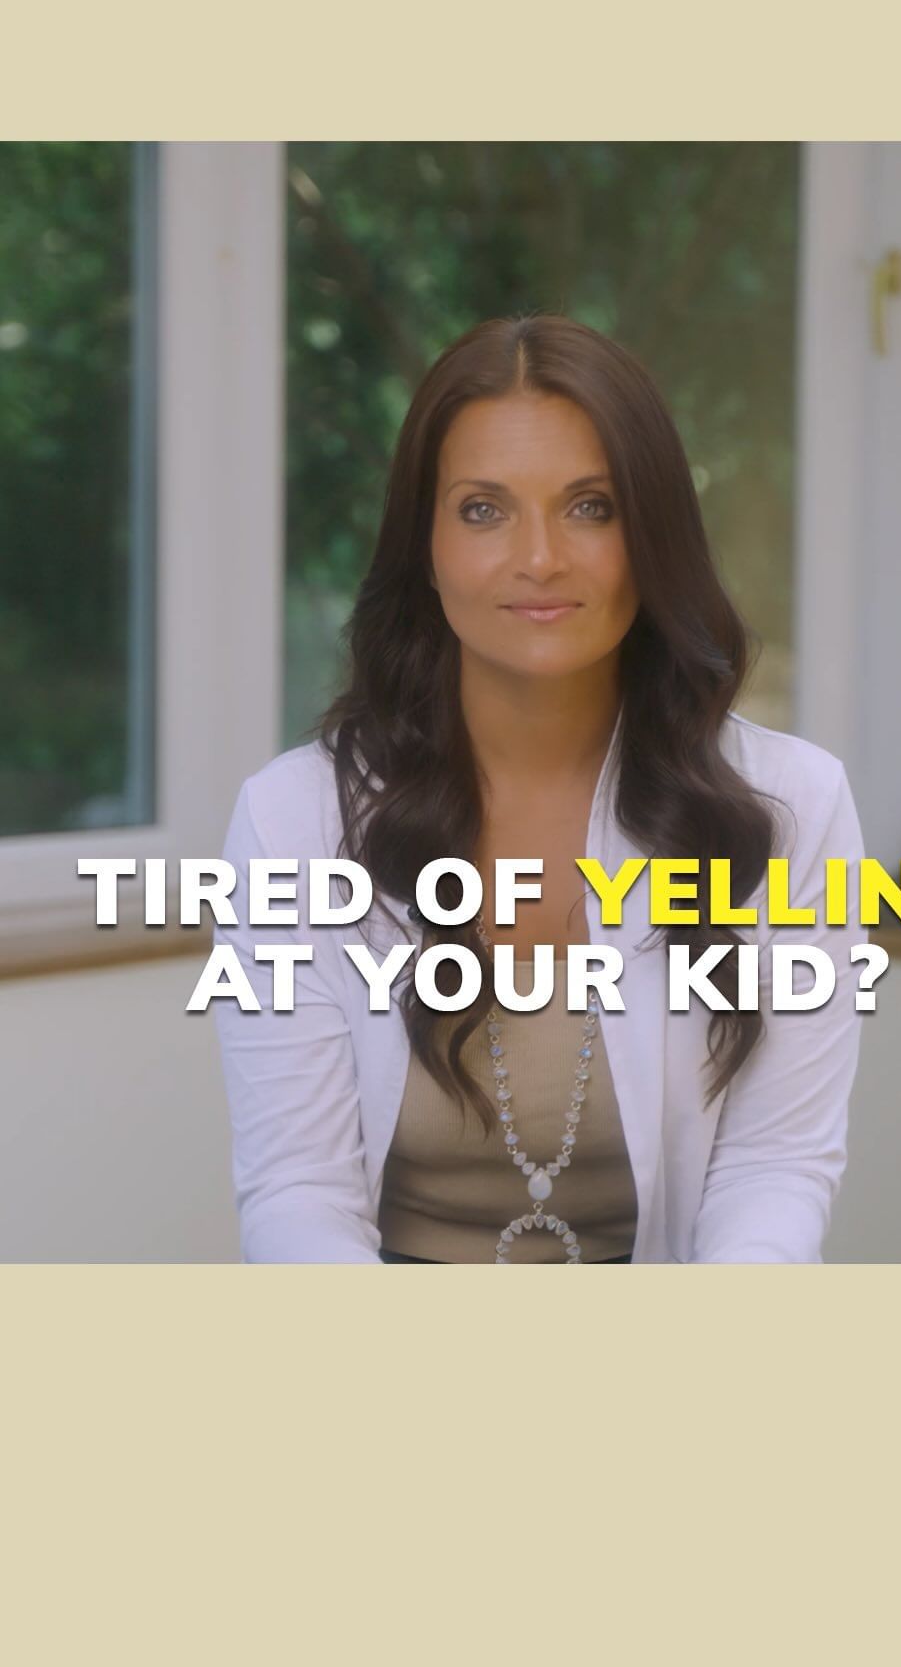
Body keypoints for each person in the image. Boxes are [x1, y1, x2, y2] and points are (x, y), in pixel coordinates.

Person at [212, 313, 866, 1264]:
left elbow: (775, 1166)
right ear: (424, 544)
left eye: (590, 507)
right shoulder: (291, 821)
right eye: (484, 510)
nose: (540, 558)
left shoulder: (792, 806)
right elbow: (298, 1192)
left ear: (652, 535)